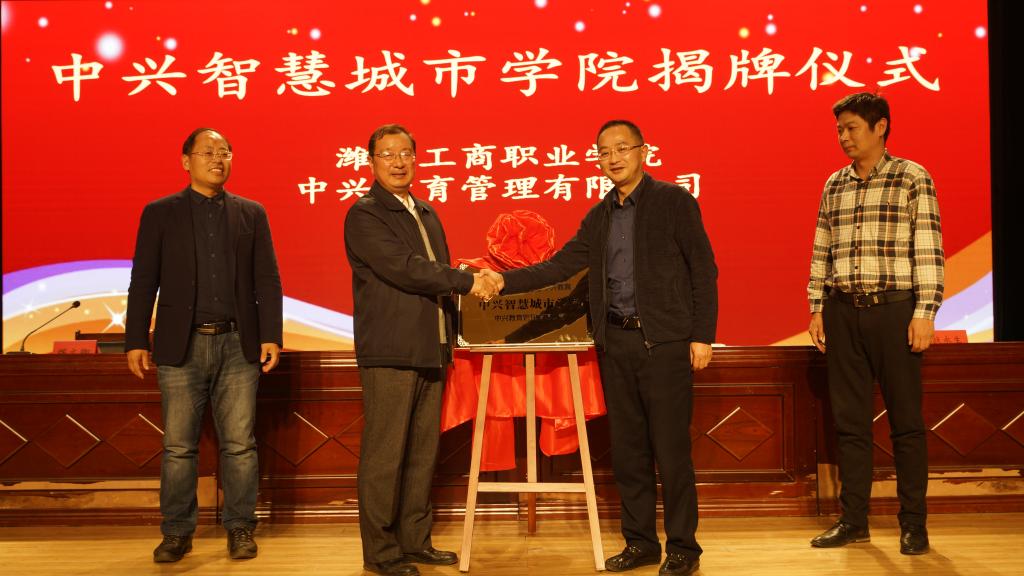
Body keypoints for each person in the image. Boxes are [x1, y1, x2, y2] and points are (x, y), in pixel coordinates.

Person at [485, 119, 717, 576]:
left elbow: (703, 270)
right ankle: (640, 543)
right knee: (628, 452)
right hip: (616, 343)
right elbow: (558, 268)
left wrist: (702, 335)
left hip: (665, 344)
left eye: (622, 148)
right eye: (604, 152)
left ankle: (683, 548)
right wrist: (500, 281)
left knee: (671, 452)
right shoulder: (599, 216)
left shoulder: (674, 201)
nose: (613, 158)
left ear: (643, 151)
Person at [344, 124, 499, 576]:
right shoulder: (365, 214)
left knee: (421, 452)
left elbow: (438, 273)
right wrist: (469, 281)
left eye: (406, 153)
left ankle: (415, 540)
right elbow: (406, 269)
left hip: (432, 346)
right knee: (386, 454)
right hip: (390, 350)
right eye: (388, 154)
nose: (398, 162)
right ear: (371, 162)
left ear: (416, 158)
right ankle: (381, 552)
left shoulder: (427, 212)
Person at [125, 127, 283, 562]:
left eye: (225, 152)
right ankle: (176, 532)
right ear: (186, 161)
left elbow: (267, 278)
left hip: (238, 345)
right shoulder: (160, 213)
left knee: (240, 444)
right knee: (178, 447)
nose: (218, 158)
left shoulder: (251, 213)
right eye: (208, 152)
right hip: (182, 346)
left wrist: (271, 334)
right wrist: (135, 338)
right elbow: (144, 279)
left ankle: (240, 527)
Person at [806, 92, 944, 555]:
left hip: (895, 311)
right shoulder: (835, 184)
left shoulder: (911, 177)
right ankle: (853, 521)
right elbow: (822, 249)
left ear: (880, 126)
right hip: (843, 310)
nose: (844, 137)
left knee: (906, 423)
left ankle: (913, 524)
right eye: (839, 130)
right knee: (850, 424)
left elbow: (928, 249)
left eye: (852, 128)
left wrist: (925, 312)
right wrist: (816, 305)